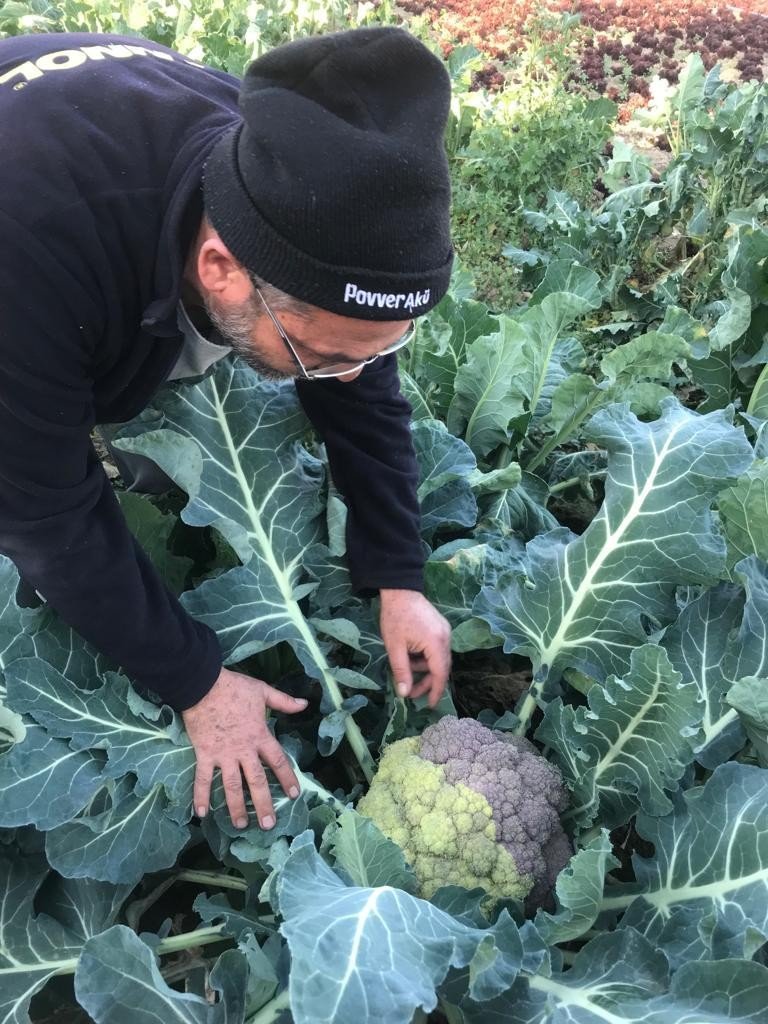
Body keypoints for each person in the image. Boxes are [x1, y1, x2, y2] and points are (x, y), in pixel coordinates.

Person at [0, 26, 453, 832]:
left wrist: (397, 572)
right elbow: (44, 515)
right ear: (219, 267)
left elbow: (356, 364)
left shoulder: (303, 182)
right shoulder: (29, 253)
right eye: (318, 351)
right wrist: (199, 684)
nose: (346, 375)